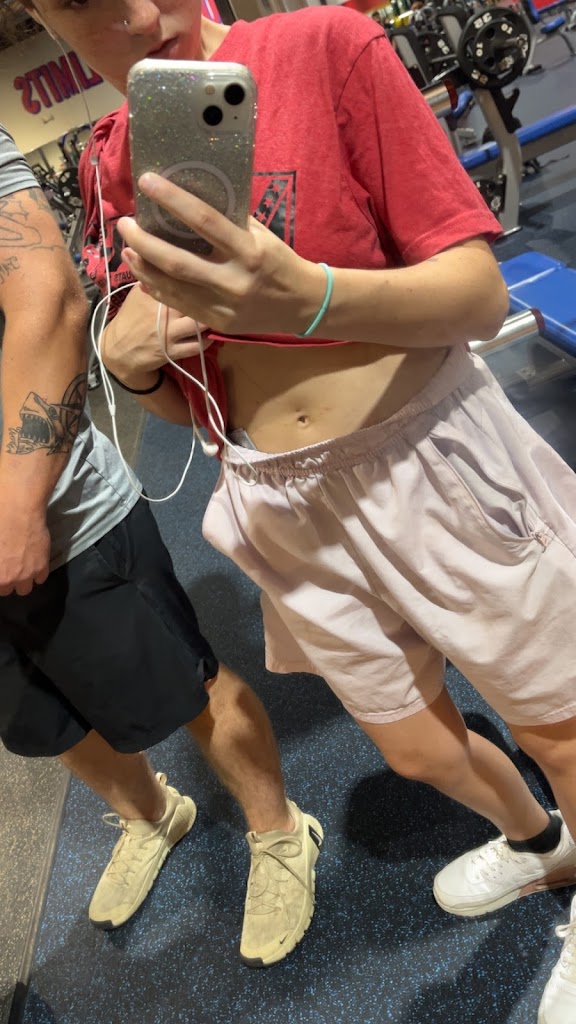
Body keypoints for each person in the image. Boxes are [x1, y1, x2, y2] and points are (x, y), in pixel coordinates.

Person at [13, 0, 576, 1018]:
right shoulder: (114, 164)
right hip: (278, 499)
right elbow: (198, 402)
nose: (136, 12)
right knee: (414, 748)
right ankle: (544, 844)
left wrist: (310, 297)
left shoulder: (324, 47)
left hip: (426, 456)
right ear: (53, 23)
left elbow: (479, 296)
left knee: (562, 727)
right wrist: (135, 370)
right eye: (89, 3)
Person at [0, 122, 323, 967]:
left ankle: (280, 831)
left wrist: (20, 506)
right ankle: (152, 816)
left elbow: (50, 302)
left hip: (52, 519)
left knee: (186, 685)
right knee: (45, 721)